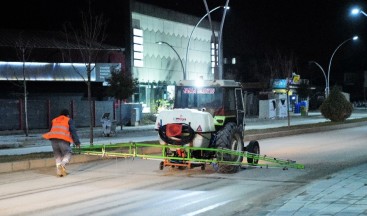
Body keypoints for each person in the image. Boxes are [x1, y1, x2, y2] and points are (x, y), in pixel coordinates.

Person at [43, 109, 81, 177]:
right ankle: (62, 164)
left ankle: (59, 172)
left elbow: (50, 130)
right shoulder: (69, 120)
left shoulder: (54, 120)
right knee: (68, 153)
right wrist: (77, 142)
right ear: (67, 115)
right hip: (63, 140)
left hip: (53, 140)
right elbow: (73, 131)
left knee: (58, 156)